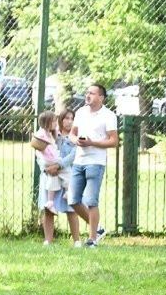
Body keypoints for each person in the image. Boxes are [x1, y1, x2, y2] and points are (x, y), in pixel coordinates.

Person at [69, 83, 118, 247]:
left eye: (92, 93)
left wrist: (92, 143)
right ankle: (98, 228)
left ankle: (92, 240)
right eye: (87, 92)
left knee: (91, 201)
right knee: (73, 200)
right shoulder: (81, 112)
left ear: (101, 97)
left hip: (95, 162)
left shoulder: (108, 115)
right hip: (79, 160)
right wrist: (75, 140)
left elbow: (113, 141)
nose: (88, 95)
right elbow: (72, 133)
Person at [34, 109, 81, 246]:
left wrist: (59, 166)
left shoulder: (75, 136)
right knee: (49, 208)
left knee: (71, 209)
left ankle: (77, 240)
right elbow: (40, 152)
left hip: (66, 173)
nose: (69, 121)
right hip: (49, 173)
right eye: (66, 118)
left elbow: (73, 155)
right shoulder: (50, 134)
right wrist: (46, 168)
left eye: (72, 118)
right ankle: (48, 239)